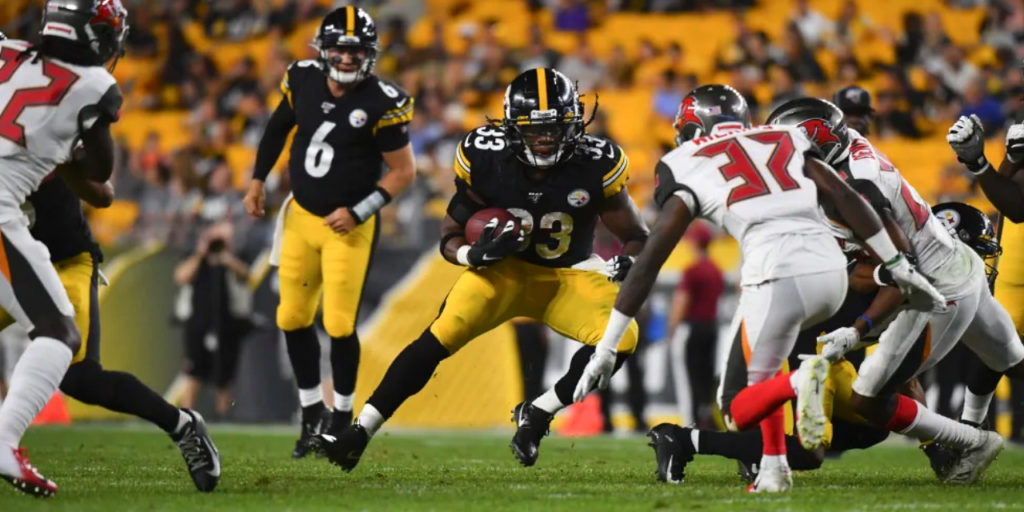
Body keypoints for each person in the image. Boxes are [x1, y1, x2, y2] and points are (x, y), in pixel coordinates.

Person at [574, 85, 945, 493]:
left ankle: (797, 385)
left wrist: (607, 346)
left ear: (693, 127)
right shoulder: (785, 137)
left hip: (773, 274)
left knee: (736, 408)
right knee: (766, 372)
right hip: (831, 274)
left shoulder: (684, 161)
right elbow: (844, 195)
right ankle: (771, 468)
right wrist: (894, 261)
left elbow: (650, 261)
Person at [316, 68, 649, 472]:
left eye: (556, 127)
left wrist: (630, 259)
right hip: (501, 273)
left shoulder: (596, 162)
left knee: (622, 338)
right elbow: (450, 235)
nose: (546, 138)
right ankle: (359, 432)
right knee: (438, 337)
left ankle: (539, 412)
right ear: (511, 128)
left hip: (569, 275)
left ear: (574, 124)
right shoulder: (486, 156)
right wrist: (472, 257)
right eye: (535, 130)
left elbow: (637, 235)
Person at [647, 202, 998, 486]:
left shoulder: (917, 272)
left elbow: (903, 375)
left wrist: (934, 446)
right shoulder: (897, 261)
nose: (977, 268)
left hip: (823, 356)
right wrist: (875, 300)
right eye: (974, 254)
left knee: (874, 421)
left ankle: (761, 449)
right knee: (806, 452)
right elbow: (861, 276)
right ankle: (682, 440)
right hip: (789, 347)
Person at [769, 99, 1022, 484]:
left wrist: (858, 329)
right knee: (1014, 361)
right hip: (958, 264)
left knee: (867, 399)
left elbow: (902, 268)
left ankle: (972, 441)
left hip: (936, 288)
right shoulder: (849, 148)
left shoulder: (856, 187)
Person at [242, 6, 417, 458]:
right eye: (339, 47)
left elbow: (403, 173)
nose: (345, 56)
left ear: (371, 53)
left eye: (355, 49)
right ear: (323, 49)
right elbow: (279, 126)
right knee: (291, 318)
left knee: (338, 323)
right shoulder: (301, 77)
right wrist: (258, 179)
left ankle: (341, 415)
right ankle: (310, 414)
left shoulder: (383, 100)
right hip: (301, 217)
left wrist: (360, 211)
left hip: (348, 227)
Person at [10, 168, 220, 492]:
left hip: (64, 262)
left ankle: (182, 426)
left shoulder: (37, 130)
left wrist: (67, 163)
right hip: (11, 265)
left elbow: (103, 193)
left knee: (80, 379)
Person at [0, 1, 129, 497]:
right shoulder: (95, 85)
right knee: (57, 333)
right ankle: (6, 442)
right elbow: (99, 173)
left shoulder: (8, 51)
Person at [173, 221, 251, 419]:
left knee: (224, 377)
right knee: (193, 372)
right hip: (198, 322)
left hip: (227, 323)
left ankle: (223, 419)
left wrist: (227, 259)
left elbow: (247, 274)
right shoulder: (197, 256)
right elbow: (181, 276)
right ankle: (187, 419)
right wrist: (201, 253)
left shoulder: (235, 255)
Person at [665, 222, 724, 429]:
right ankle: (706, 416)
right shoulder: (716, 270)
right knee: (705, 377)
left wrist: (672, 328)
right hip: (711, 327)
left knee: (687, 378)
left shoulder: (692, 271)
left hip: (691, 328)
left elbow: (682, 301)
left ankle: (691, 422)